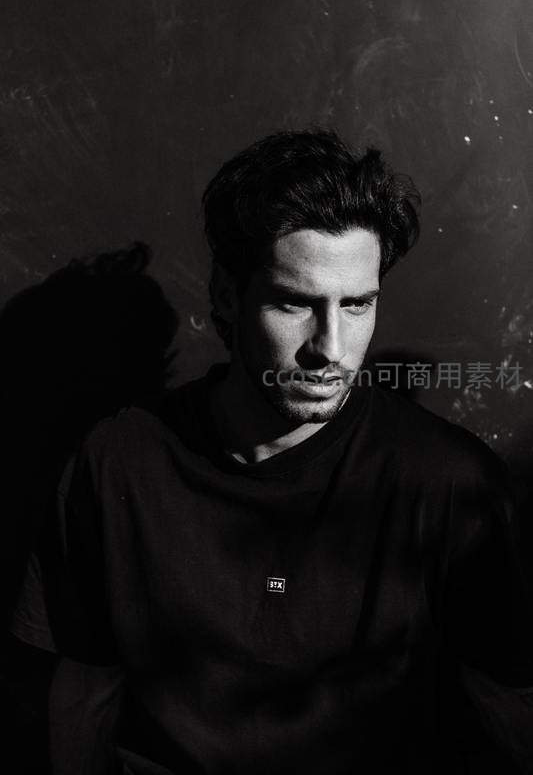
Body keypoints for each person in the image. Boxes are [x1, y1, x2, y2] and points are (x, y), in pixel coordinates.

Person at [9, 129, 533, 774]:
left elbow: (508, 708)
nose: (330, 348)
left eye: (357, 305)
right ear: (228, 295)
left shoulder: (448, 481)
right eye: (295, 303)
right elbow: (85, 691)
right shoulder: (118, 461)